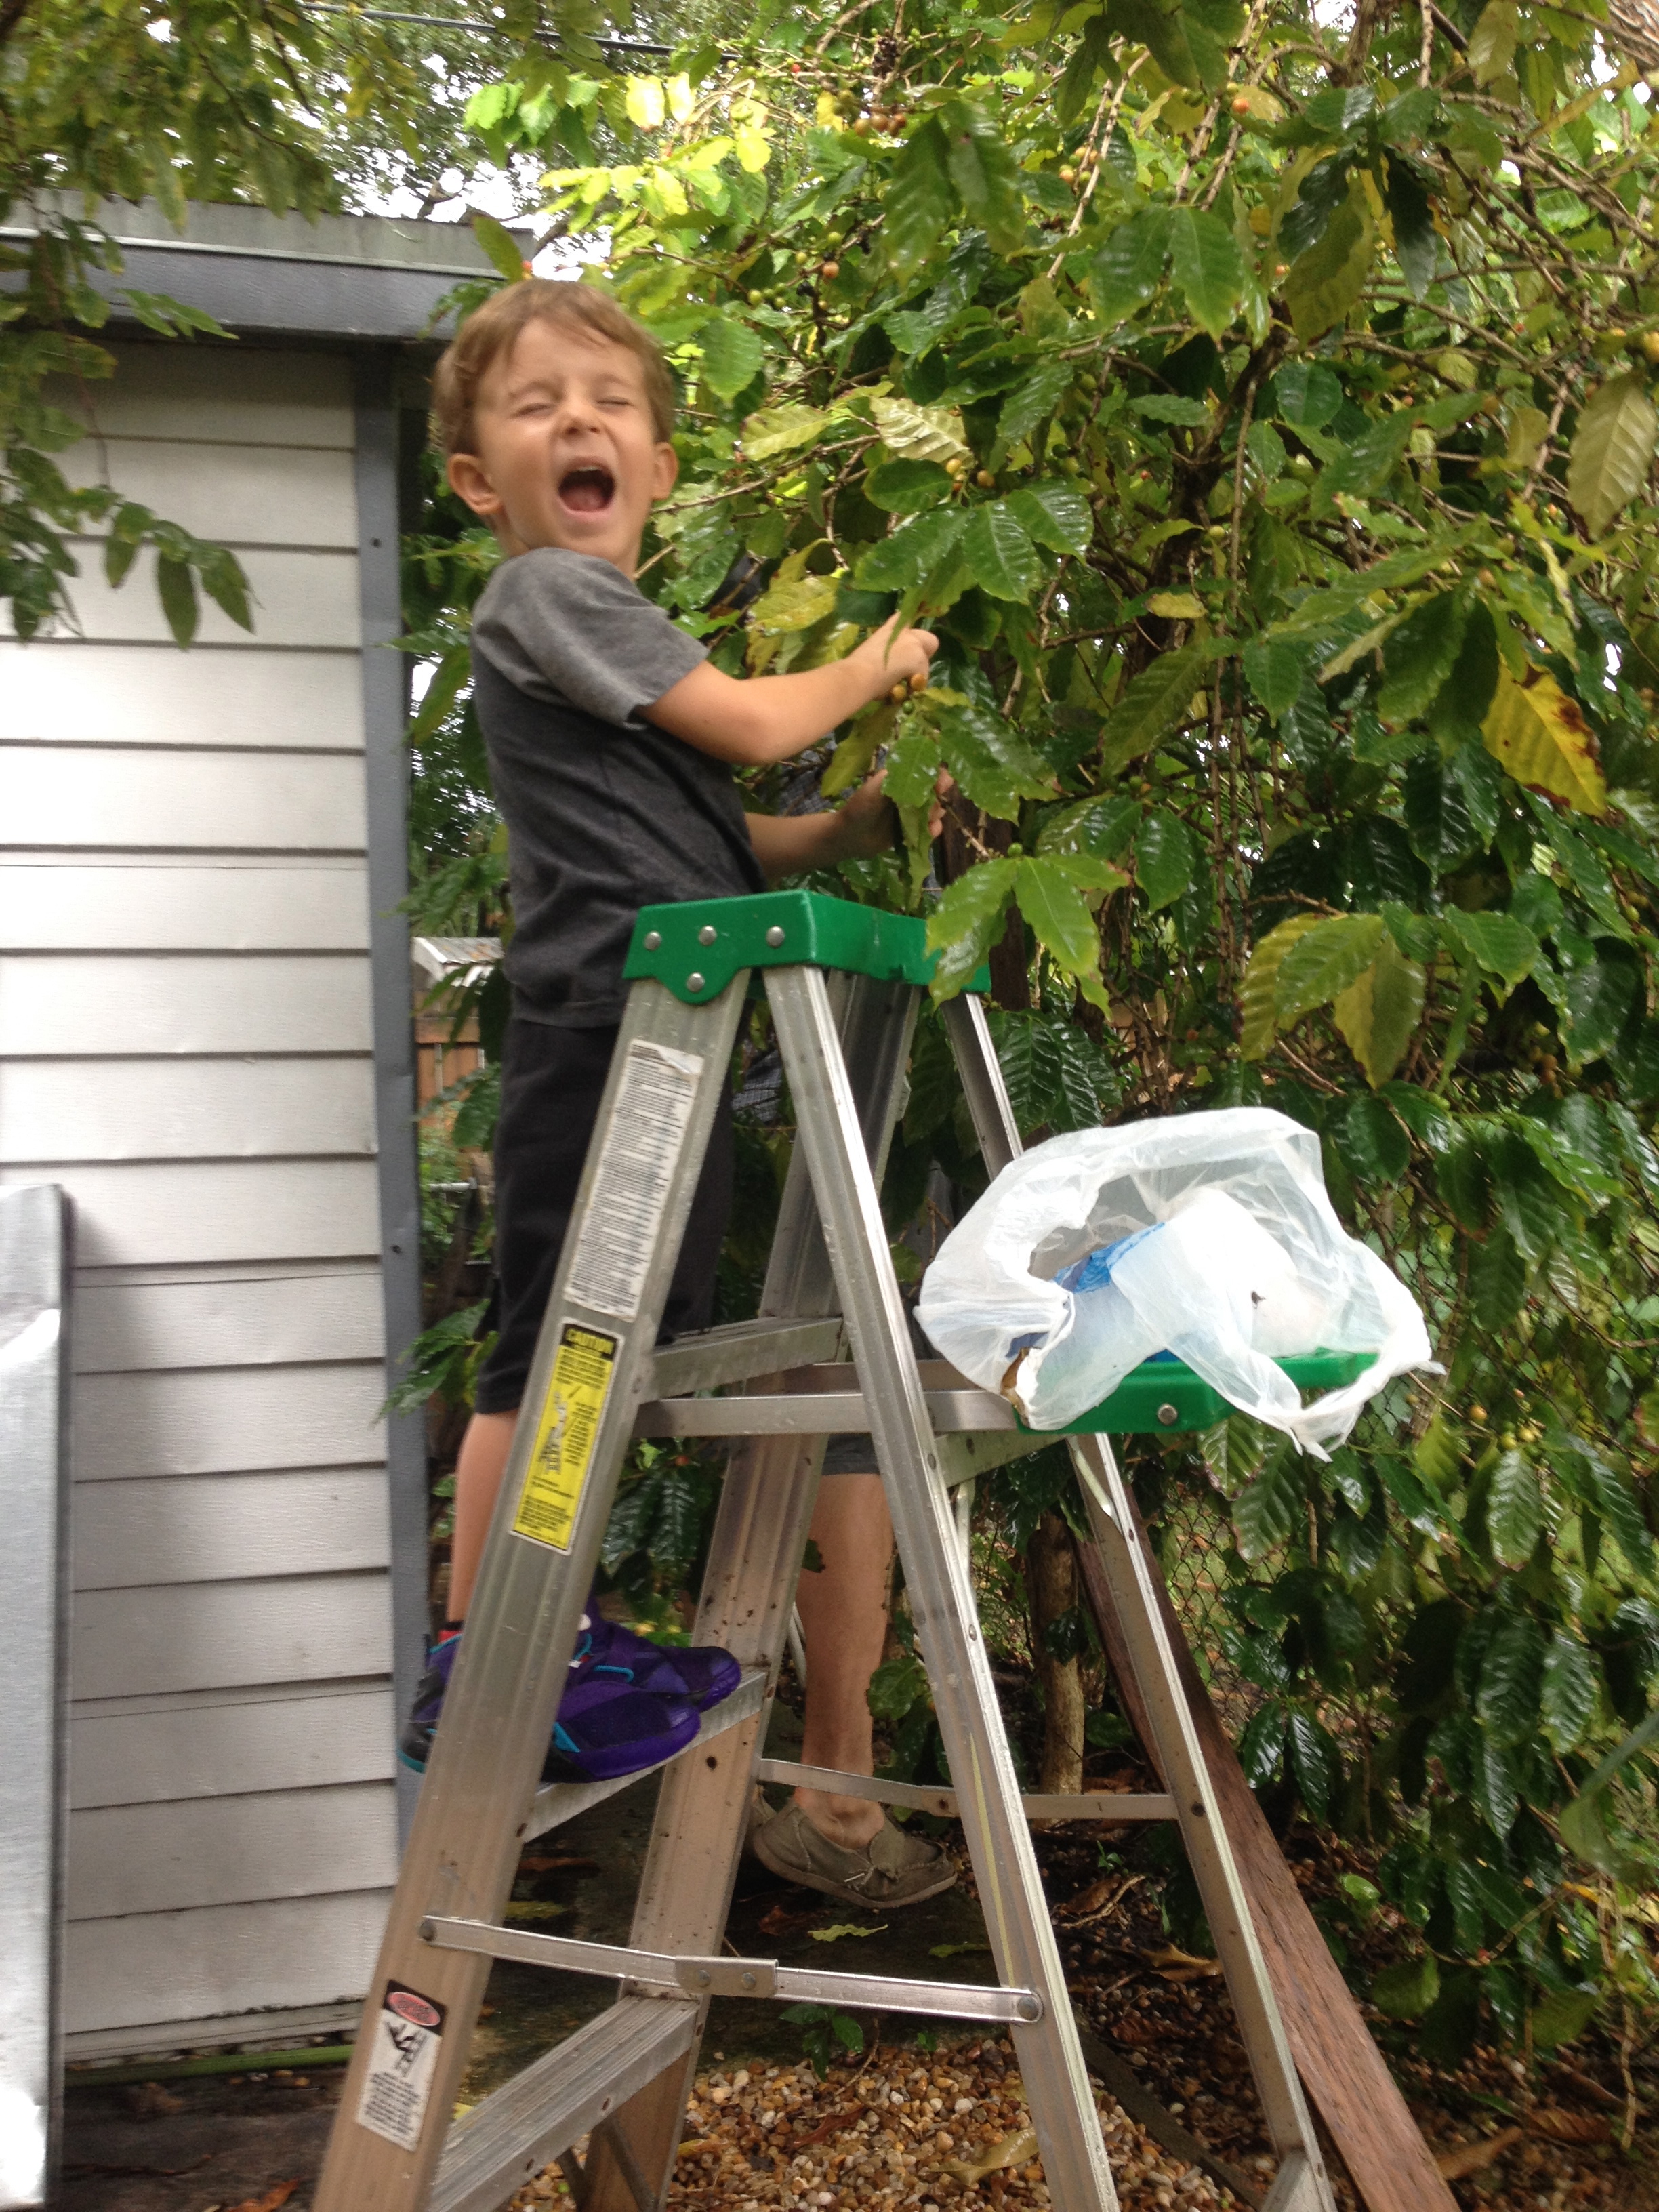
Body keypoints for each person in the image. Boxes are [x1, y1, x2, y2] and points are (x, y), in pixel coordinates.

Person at [405, 276, 955, 1909]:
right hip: (606, 1027)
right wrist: (873, 665)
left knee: (613, 1339)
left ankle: (550, 1627)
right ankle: (490, 1639)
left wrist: (851, 827)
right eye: (535, 406)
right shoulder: (550, 595)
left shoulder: (608, 648)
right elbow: (753, 724)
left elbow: (729, 828)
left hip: (675, 1027)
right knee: (548, 1346)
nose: (577, 422)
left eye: (610, 404)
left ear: (656, 462)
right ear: (478, 481)